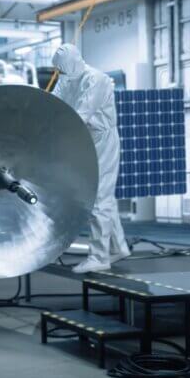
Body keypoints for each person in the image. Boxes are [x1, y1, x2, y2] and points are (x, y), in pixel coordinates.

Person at [51, 43, 131, 274]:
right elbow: (55, 103)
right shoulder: (67, 77)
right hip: (84, 138)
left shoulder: (97, 80)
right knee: (104, 197)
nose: (59, 73)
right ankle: (118, 247)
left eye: (61, 68)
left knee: (98, 197)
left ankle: (99, 256)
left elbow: (80, 114)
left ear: (71, 63)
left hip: (102, 140)